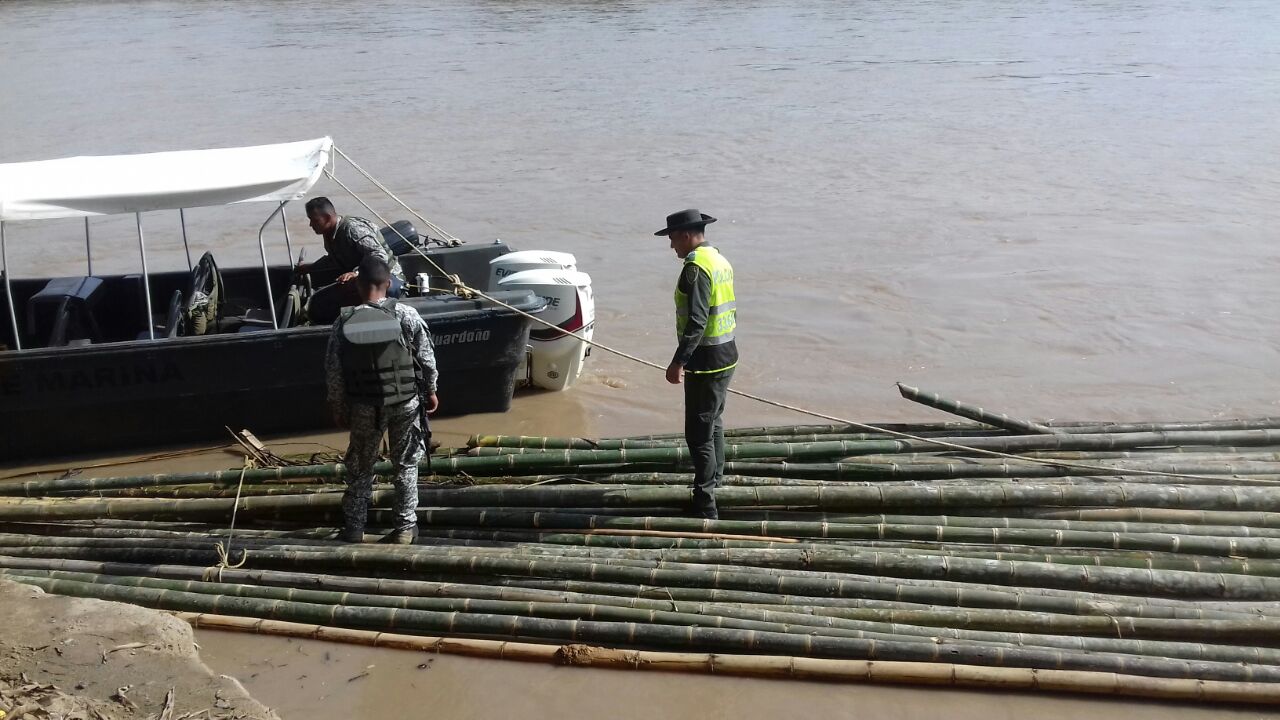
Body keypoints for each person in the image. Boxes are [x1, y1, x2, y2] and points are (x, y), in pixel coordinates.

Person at [324, 255, 438, 544]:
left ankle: (354, 528)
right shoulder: (406, 315)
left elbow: (334, 372)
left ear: (358, 286)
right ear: (388, 284)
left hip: (364, 406)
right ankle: (403, 529)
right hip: (405, 402)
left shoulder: (343, 322)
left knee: (361, 468)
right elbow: (426, 359)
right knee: (406, 465)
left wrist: (338, 408)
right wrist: (432, 390)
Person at [656, 209, 738, 520]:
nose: (671, 246)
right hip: (727, 353)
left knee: (698, 432)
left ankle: (705, 505)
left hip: (707, 362)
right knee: (714, 421)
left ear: (687, 235)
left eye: (673, 238)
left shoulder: (696, 267)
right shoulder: (719, 259)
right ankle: (715, 482)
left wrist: (678, 361)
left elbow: (697, 321)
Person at [298, 197, 406, 324]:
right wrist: (311, 268)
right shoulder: (330, 233)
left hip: (386, 277)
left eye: (314, 220)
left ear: (327, 218)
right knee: (319, 301)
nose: (311, 225)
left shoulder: (353, 229)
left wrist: (356, 273)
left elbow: (379, 255)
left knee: (325, 303)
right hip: (363, 278)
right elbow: (335, 260)